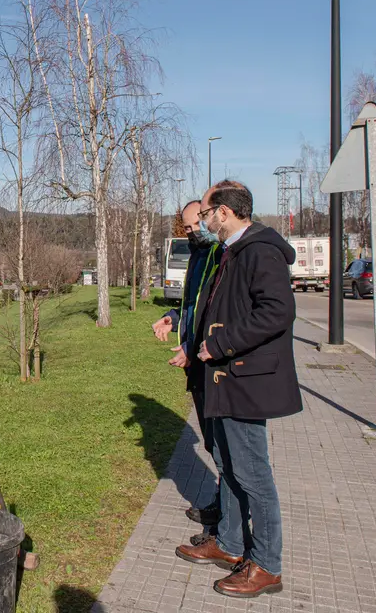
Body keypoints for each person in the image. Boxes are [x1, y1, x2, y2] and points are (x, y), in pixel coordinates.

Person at [174, 181, 300, 599]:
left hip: (246, 381)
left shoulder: (259, 251)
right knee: (229, 466)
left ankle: (266, 565)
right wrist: (194, 345)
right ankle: (229, 544)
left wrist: (221, 343)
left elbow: (277, 312)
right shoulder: (232, 252)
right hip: (224, 378)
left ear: (224, 212)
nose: (204, 223)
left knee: (253, 475)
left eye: (206, 214)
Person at [151, 200, 223, 530]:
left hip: (213, 363)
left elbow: (214, 311)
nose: (193, 232)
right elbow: (192, 304)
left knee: (225, 446)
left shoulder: (221, 253)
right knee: (214, 443)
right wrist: (172, 317)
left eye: (197, 224)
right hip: (197, 361)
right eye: (188, 228)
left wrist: (193, 350)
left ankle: (227, 518)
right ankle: (223, 509)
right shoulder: (197, 253)